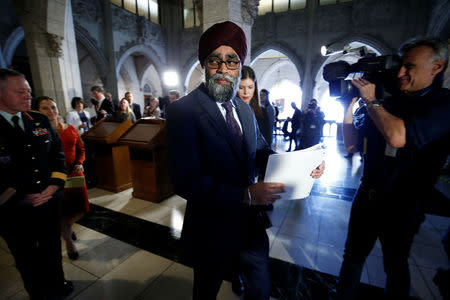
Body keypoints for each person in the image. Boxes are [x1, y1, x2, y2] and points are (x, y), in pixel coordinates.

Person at [166, 21, 324, 299]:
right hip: (210, 226)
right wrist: (245, 195)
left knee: (260, 288)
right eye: (215, 60)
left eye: (232, 61)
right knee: (206, 291)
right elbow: (185, 180)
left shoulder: (244, 109)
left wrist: (302, 166)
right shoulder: (183, 111)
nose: (224, 69)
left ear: (240, 66)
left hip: (249, 225)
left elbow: (261, 152)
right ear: (204, 64)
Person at [335, 37, 450, 300]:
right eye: (400, 66)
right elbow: (352, 144)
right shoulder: (390, 100)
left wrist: (373, 102)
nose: (400, 73)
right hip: (368, 195)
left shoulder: (442, 105)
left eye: (410, 66)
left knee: (395, 264)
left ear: (437, 67)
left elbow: (397, 137)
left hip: (404, 205)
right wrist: (349, 106)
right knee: (352, 257)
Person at [0, 68, 73, 299]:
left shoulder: (38, 119)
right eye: (20, 92)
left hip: (49, 201)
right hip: (14, 210)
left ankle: (57, 285)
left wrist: (52, 187)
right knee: (26, 256)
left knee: (52, 249)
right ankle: (38, 293)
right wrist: (18, 196)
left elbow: (57, 156)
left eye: (29, 91)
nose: (27, 96)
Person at [36, 96, 89, 261]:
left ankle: (68, 228)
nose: (51, 111)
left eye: (53, 107)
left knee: (80, 209)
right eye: (45, 108)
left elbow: (81, 149)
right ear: (37, 111)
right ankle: (68, 241)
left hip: (74, 173)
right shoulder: (37, 132)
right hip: (54, 177)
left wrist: (80, 162)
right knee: (62, 211)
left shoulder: (71, 128)